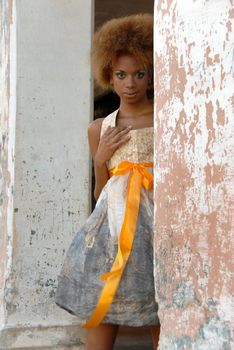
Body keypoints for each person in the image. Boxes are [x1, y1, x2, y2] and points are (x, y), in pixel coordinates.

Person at [55, 14, 160, 350]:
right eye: (121, 75)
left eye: (138, 74)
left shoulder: (166, 118)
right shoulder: (99, 128)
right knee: (103, 294)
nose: (130, 83)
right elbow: (101, 192)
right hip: (111, 225)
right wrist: (101, 159)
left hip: (157, 222)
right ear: (108, 78)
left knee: (161, 300)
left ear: (150, 76)